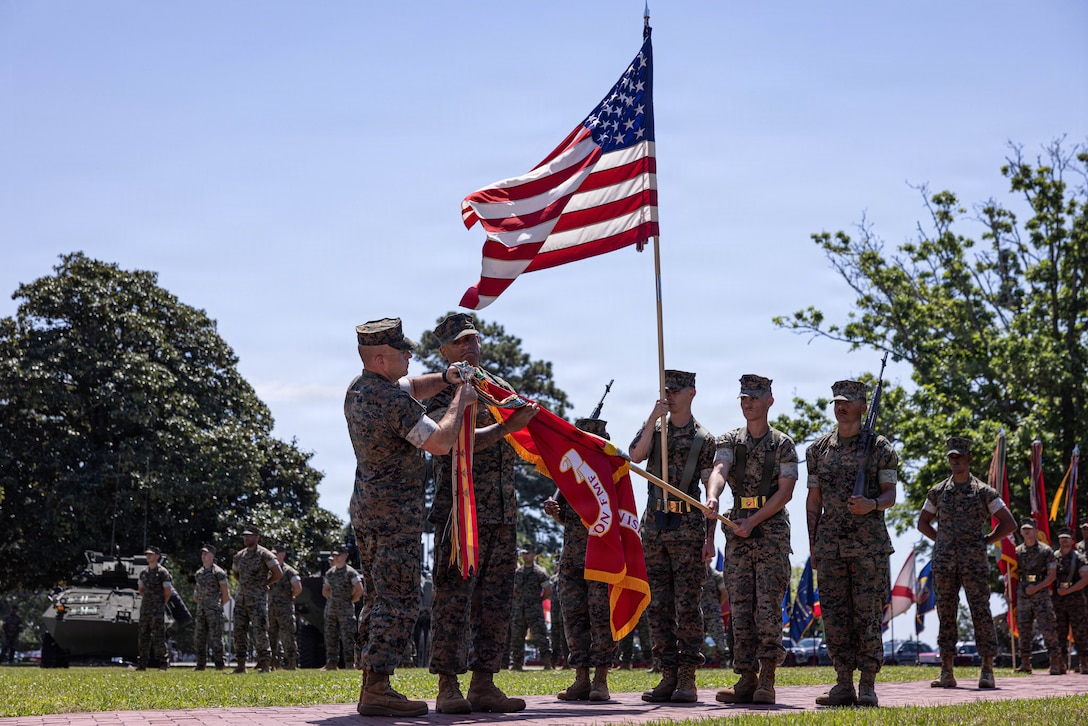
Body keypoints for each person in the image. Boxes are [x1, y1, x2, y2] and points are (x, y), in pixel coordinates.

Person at [346, 316, 477, 718]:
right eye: (403, 351)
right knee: (399, 599)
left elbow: (414, 385)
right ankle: (379, 686)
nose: (410, 354)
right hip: (394, 515)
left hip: (370, 511)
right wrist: (461, 400)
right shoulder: (388, 400)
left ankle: (372, 681)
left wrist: (446, 377)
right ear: (381, 358)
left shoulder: (362, 389)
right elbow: (439, 441)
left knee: (378, 596)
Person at [423, 312, 536, 714]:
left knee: (496, 601)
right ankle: (448, 685)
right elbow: (451, 440)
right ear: (444, 351)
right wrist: (507, 428)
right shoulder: (439, 391)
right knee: (453, 598)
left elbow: (528, 426)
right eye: (460, 342)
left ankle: (484, 682)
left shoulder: (497, 388)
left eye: (473, 339)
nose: (469, 347)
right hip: (461, 514)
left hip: (502, 512)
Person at [805, 379, 898, 707]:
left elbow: (890, 495)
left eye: (847, 401)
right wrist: (814, 544)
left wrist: (871, 504)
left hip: (868, 547)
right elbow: (813, 500)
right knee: (834, 616)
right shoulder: (817, 450)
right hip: (830, 546)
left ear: (863, 406)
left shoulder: (880, 447)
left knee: (867, 614)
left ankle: (868, 684)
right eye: (836, 401)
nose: (840, 406)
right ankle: (843, 683)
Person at [706, 374, 797, 706]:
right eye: (744, 397)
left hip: (770, 531)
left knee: (767, 606)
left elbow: (785, 493)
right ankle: (746, 678)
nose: (748, 403)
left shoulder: (783, 445)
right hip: (737, 528)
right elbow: (719, 469)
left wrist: (754, 521)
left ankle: (767, 679)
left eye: (755, 397)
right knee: (741, 607)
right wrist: (713, 497)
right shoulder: (730, 439)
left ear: (769, 401)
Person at [631, 369, 718, 704]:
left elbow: (711, 481)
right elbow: (636, 456)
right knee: (658, 606)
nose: (670, 395)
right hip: (654, 526)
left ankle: (687, 677)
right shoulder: (655, 429)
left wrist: (710, 533)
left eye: (676, 390)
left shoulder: (703, 439)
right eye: (666, 389)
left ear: (692, 393)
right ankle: (666, 674)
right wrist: (654, 415)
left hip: (687, 528)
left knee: (687, 604)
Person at [917, 436, 1016, 689]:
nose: (955, 461)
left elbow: (1009, 523)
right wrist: (942, 541)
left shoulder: (985, 492)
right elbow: (922, 522)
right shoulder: (938, 491)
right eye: (951, 457)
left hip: (974, 562)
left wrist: (986, 540)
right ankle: (947, 671)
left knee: (980, 613)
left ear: (969, 458)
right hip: (945, 564)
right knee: (946, 615)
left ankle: (987, 670)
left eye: (959, 457)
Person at [544, 417, 616, 702]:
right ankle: (581, 678)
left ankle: (600, 680)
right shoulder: (570, 474)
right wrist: (555, 511)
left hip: (600, 557)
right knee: (574, 617)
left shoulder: (610, 472)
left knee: (600, 618)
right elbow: (570, 519)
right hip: (572, 557)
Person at [230, 525, 282, 674]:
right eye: (245, 536)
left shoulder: (265, 554)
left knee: (260, 631)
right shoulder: (239, 556)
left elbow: (278, 573)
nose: (246, 538)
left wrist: (264, 583)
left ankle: (265, 664)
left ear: (257, 537)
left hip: (257, 600)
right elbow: (235, 573)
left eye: (249, 536)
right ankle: (241, 665)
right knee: (239, 631)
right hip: (241, 599)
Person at [1013, 518, 1060, 674]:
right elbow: (1011, 574)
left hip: (1041, 593)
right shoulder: (1016, 552)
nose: (1027, 531)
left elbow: (1052, 575)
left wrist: (1037, 588)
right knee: (1024, 629)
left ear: (1035, 531)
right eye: (1024, 529)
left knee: (1048, 628)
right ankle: (1025, 663)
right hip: (1023, 594)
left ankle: (1054, 662)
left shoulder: (1046, 551)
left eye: (1030, 529)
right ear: (1021, 532)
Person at [507, 546, 553, 671]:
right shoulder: (518, 573)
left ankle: (547, 663)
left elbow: (548, 591)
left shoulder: (540, 573)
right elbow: (514, 590)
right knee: (517, 636)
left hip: (535, 610)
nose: (525, 556)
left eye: (528, 553)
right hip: (519, 610)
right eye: (523, 553)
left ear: (534, 555)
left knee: (541, 636)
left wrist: (538, 601)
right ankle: (517, 664)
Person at [1052, 527, 1088, 674]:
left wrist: (1068, 590)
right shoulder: (1053, 556)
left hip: (1076, 600)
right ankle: (1059, 663)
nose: (1064, 540)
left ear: (1072, 540)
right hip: (1058, 601)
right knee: (1059, 632)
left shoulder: (1078, 558)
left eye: (1066, 537)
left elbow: (1085, 579)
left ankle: (1084, 662)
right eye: (1061, 537)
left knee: (1080, 632)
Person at [321, 544, 363, 671]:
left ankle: (350, 664)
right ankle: (331, 663)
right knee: (330, 637)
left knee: (347, 638)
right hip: (331, 611)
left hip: (346, 612)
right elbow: (325, 590)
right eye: (334, 555)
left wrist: (351, 600)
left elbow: (359, 589)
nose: (336, 557)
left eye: (338, 555)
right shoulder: (330, 573)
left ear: (345, 556)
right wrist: (333, 599)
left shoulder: (350, 572)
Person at [192, 544, 230, 671]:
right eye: (202, 553)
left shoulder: (219, 573)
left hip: (214, 611)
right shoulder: (199, 573)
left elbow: (226, 594)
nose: (204, 556)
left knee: (216, 638)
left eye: (206, 553)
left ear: (212, 555)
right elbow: (196, 594)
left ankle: (219, 664)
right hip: (201, 610)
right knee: (199, 638)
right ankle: (200, 664)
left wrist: (217, 606)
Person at [136, 546, 172, 671]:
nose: (148, 556)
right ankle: (142, 664)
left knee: (158, 638)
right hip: (145, 609)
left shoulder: (163, 573)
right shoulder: (143, 573)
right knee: (143, 637)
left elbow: (167, 592)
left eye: (151, 554)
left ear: (157, 556)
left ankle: (163, 663)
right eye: (147, 554)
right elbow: (140, 590)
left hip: (157, 610)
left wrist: (159, 603)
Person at [266, 544, 301, 670]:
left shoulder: (289, 571)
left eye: (275, 553)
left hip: (285, 609)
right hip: (271, 608)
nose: (273, 556)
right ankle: (273, 662)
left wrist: (290, 596)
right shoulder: (270, 571)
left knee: (288, 635)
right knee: (271, 635)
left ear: (282, 555)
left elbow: (298, 587)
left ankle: (291, 662)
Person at [700, 562, 728, 668]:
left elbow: (724, 593)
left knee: (720, 641)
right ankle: (696, 666)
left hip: (713, 614)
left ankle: (724, 665)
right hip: (698, 614)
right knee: (696, 642)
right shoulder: (697, 573)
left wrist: (716, 605)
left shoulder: (716, 575)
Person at [548, 566, 568, 670]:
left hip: (565, 613)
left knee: (566, 638)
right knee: (554, 638)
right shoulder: (552, 579)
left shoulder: (568, 577)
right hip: (554, 613)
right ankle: (553, 662)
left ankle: (567, 662)